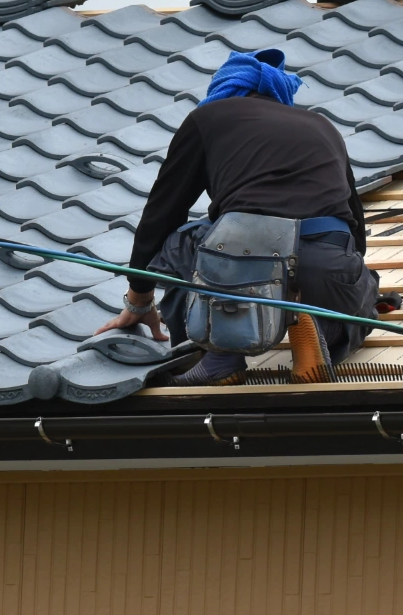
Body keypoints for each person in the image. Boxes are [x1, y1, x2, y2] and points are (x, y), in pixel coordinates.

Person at [94, 47, 379, 386]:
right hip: (327, 260)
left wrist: (140, 301)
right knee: (359, 309)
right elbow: (356, 234)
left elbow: (162, 214)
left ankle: (220, 357)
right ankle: (319, 326)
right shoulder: (322, 125)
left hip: (240, 265)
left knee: (182, 243)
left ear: (224, 89)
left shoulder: (209, 118)